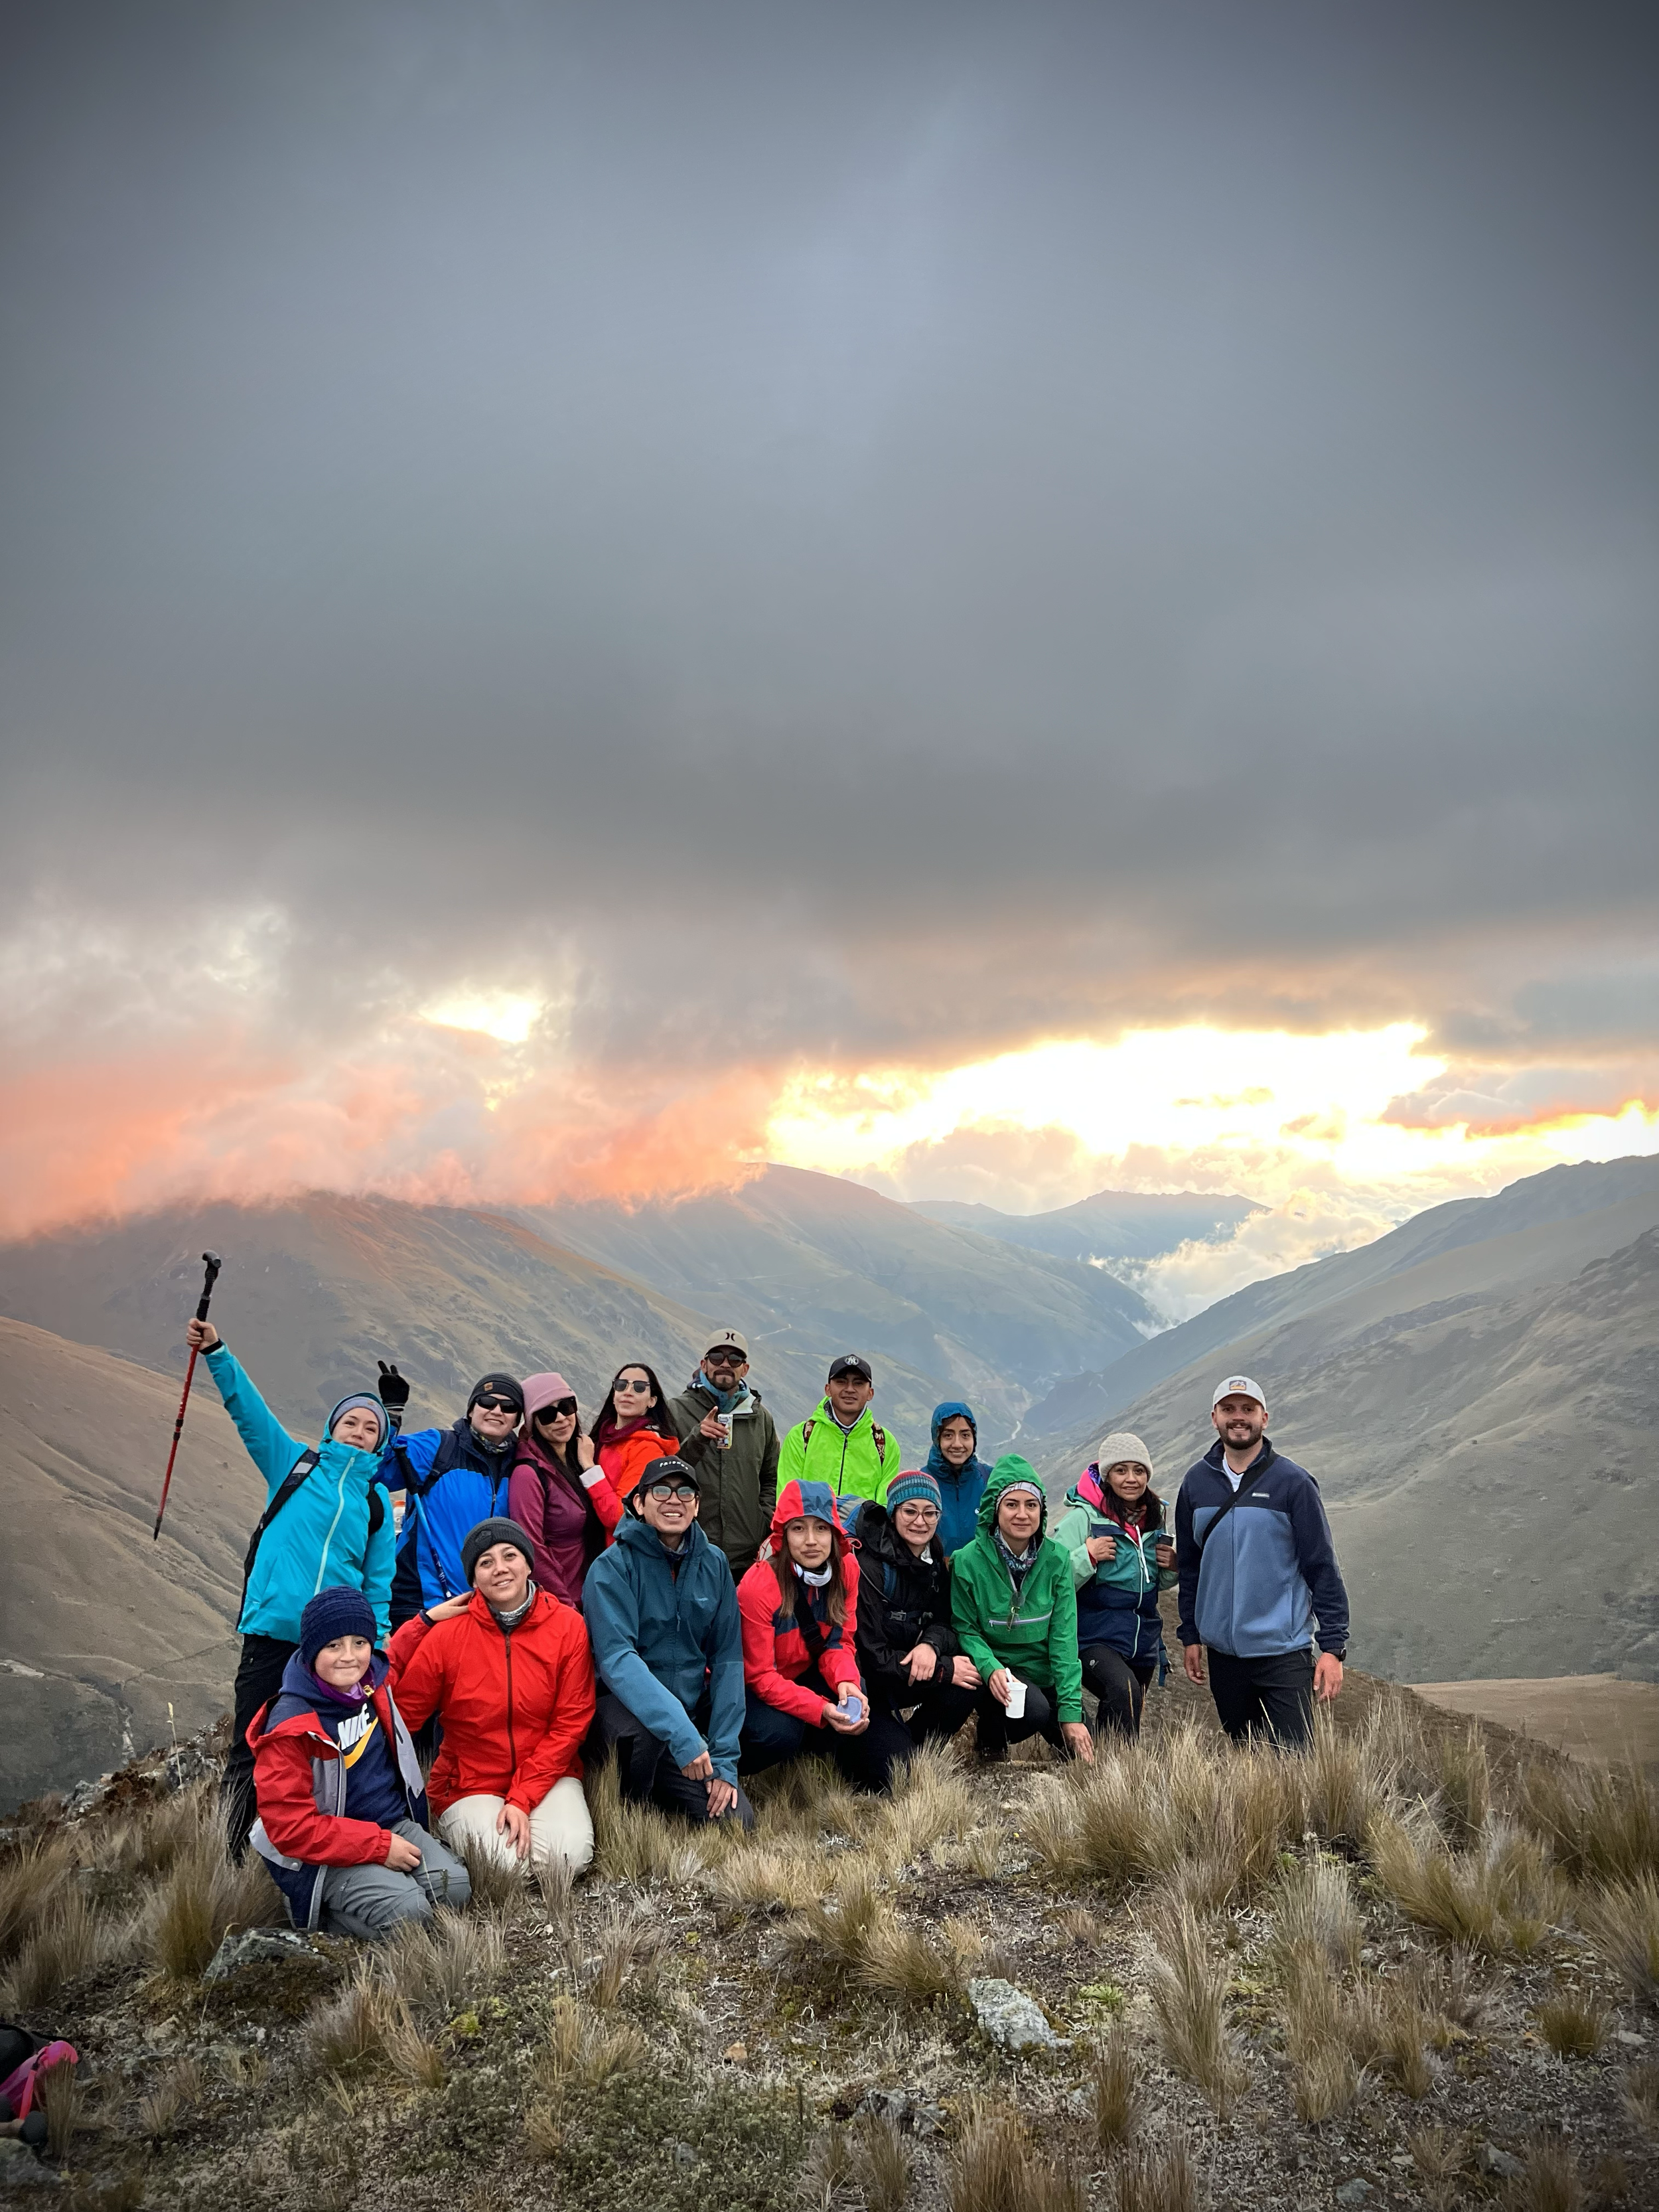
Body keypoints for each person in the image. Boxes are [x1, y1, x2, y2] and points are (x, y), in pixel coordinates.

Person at [185, 1314, 395, 1856]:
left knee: (322, 1751)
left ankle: (303, 1849)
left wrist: (373, 1648)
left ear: (380, 1443)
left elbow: (377, 1586)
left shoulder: (373, 1504)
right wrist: (217, 1351)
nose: (360, 1431)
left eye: (371, 1428)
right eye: (351, 1422)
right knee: (249, 1747)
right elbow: (249, 1414)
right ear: (332, 1428)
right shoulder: (295, 1466)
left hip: (334, 1651)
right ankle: (233, 1857)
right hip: (274, 1632)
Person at [248, 1587, 470, 1937]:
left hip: (390, 1823)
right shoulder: (289, 1727)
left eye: (359, 1643)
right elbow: (290, 1829)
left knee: (453, 1888)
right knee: (410, 1915)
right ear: (310, 1652)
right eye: (333, 1645)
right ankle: (318, 1917)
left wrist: (425, 1621)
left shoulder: (370, 1686)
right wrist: (380, 1848)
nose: (349, 1657)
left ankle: (382, 1905)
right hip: (320, 1857)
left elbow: (392, 1657)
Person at [388, 1517, 597, 1875]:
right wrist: (420, 1625)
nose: (500, 1569)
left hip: (549, 1774)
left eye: (509, 1556)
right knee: (505, 1867)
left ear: (529, 1564)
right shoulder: (446, 1636)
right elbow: (400, 1716)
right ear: (473, 1579)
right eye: (485, 1563)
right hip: (469, 1781)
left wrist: (522, 1797)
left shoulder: (568, 1626)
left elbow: (570, 1724)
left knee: (566, 1858)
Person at [1176, 1376, 1349, 1751]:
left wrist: (1333, 1648)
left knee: (1294, 1763)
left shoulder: (1294, 1483)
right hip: (1224, 1657)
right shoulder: (1195, 1483)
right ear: (1214, 1418)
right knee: (1247, 1759)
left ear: (1264, 1418)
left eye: (1248, 1409)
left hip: (1283, 1653)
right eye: (1229, 1410)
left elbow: (1321, 1568)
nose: (1239, 1418)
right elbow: (1191, 1568)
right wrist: (1190, 1635)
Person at [582, 1453, 755, 1827]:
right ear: (639, 1503)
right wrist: (682, 1733)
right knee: (642, 1732)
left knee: (738, 1821)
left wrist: (724, 1760)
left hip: (687, 1724)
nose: (673, 1500)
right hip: (624, 1719)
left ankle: (665, 1788)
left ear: (696, 1505)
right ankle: (630, 1808)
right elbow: (617, 1660)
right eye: (660, 1491)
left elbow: (727, 1659)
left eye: (684, 1492)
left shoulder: (715, 1564)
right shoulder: (611, 1567)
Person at [737, 1479, 912, 1792]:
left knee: (893, 1766)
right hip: (757, 1688)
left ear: (834, 1532)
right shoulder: (759, 1586)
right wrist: (820, 1709)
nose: (811, 1541)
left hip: (807, 1673)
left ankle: (821, 1751)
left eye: (821, 1528)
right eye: (798, 1529)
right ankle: (731, 1770)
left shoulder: (847, 1569)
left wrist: (848, 1683)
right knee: (779, 1733)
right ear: (784, 1535)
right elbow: (761, 1676)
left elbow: (839, 1642)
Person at [950, 1456, 1093, 1766]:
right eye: (1011, 1504)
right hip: (999, 1674)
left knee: (1087, 1747)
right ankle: (990, 1738)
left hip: (1044, 1674)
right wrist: (990, 1668)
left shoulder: (1057, 1560)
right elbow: (965, 1628)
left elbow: (1064, 1639)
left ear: (1041, 1511)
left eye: (1031, 1505)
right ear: (995, 1509)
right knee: (1034, 1711)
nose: (1022, 1514)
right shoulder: (967, 1562)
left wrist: (1071, 1714)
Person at [1051, 1433, 1176, 1741]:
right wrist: (1088, 1556)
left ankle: (1109, 1776)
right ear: (1107, 1476)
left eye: (1139, 1470)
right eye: (1121, 1471)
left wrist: (1175, 1568)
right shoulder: (1082, 1518)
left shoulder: (1155, 1517)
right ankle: (1108, 1771)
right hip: (1093, 1634)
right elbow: (1049, 1577)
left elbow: (1155, 1581)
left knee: (1129, 1710)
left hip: (1142, 1637)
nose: (1131, 1479)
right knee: (1124, 1690)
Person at [382, 1372, 526, 1626]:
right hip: (419, 1602)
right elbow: (378, 1468)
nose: (496, 1410)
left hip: (486, 1610)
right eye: (486, 1402)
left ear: (516, 1420)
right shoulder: (438, 1447)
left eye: (509, 1406)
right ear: (471, 1409)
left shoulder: (521, 1467)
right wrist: (390, 1418)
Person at [852, 1471, 981, 1747]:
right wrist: (943, 1669)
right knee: (889, 1771)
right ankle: (892, 1750)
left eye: (930, 1513)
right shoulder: (869, 1569)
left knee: (968, 1684)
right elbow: (872, 1657)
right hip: (871, 1686)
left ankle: (912, 1745)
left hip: (909, 1673)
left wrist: (930, 1646)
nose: (920, 1522)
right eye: (910, 1511)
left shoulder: (934, 1560)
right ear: (893, 1513)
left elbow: (948, 1620)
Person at [664, 1329, 780, 1579]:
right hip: (691, 1550)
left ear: (745, 1369)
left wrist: (763, 1518)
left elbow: (771, 1477)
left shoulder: (761, 1419)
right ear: (704, 1364)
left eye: (735, 1360)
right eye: (717, 1357)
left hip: (746, 1559)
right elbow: (664, 1476)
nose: (725, 1364)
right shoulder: (675, 1411)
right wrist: (697, 1438)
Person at [509, 1371, 624, 1608]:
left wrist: (588, 1465)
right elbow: (531, 1545)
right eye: (547, 1414)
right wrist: (563, 1606)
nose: (561, 1418)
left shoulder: (581, 1458)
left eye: (566, 1406)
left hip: (596, 1594)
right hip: (562, 1601)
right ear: (533, 1425)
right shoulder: (528, 1475)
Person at [776, 1355, 902, 1509]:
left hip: (862, 1532)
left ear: (870, 1393)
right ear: (828, 1389)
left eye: (858, 1383)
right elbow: (787, 1499)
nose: (849, 1389)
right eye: (841, 1382)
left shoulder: (885, 1443)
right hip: (811, 1531)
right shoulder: (801, 1436)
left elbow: (884, 1506)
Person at [589, 1361, 681, 1509]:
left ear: (652, 1401)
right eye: (621, 1385)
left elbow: (620, 1513)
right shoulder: (600, 1439)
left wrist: (589, 1470)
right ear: (614, 1395)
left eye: (639, 1388)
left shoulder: (648, 1449)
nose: (628, 1392)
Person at [923, 1401, 993, 1557]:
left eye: (965, 1435)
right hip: (937, 1578)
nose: (957, 1444)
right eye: (948, 1435)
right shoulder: (923, 1484)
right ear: (937, 1438)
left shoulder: (990, 1480)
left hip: (981, 1578)